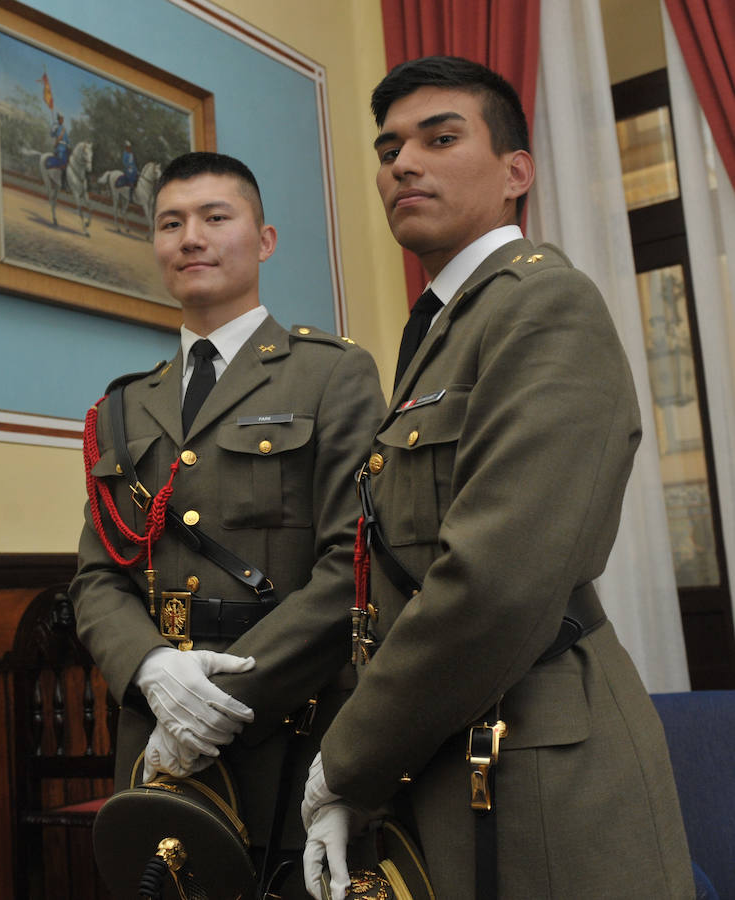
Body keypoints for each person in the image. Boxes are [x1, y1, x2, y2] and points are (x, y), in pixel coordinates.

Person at [301, 56, 694, 900]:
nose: (403, 162)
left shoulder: (542, 305)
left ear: (517, 172)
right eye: (389, 147)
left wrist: (347, 760)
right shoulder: (447, 327)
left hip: (533, 770)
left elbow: (496, 581)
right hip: (441, 745)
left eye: (441, 138)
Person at [70, 150, 385, 897]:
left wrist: (221, 702)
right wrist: (151, 671)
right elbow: (96, 576)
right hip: (158, 727)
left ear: (264, 239)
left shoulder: (332, 373)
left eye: (216, 218)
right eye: (171, 223)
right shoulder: (123, 405)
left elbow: (356, 564)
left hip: (293, 723)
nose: (191, 238)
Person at [46, 112, 69, 188]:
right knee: (61, 161)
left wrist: (68, 144)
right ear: (58, 119)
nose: (62, 120)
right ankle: (56, 180)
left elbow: (67, 139)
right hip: (59, 147)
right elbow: (51, 134)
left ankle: (66, 180)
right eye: (61, 119)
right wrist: (54, 129)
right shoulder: (56, 126)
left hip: (65, 146)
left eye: (63, 119)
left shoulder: (64, 128)